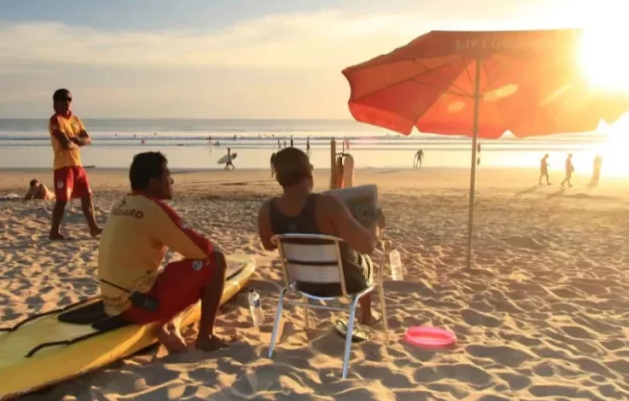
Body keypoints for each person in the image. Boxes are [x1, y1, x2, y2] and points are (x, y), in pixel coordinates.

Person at [98, 151, 234, 353]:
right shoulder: (153, 208)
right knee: (215, 260)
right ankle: (206, 337)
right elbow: (201, 250)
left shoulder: (121, 205)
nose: (171, 181)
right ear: (154, 183)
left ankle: (172, 322)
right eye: (167, 175)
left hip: (111, 303)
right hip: (138, 306)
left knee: (172, 271)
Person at [256, 147, 385, 327]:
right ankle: (367, 316)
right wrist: (377, 225)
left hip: (302, 283)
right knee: (364, 258)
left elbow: (268, 244)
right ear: (308, 171)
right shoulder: (327, 204)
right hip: (344, 283)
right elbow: (368, 245)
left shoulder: (267, 210)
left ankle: (366, 315)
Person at [48, 88, 101, 240]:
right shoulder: (55, 120)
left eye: (69, 99)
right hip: (63, 166)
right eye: (64, 99)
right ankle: (54, 231)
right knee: (62, 200)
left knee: (87, 196)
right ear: (56, 102)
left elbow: (87, 139)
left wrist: (77, 140)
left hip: (77, 164)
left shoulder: (75, 119)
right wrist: (78, 141)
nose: (67, 103)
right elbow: (65, 144)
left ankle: (93, 228)